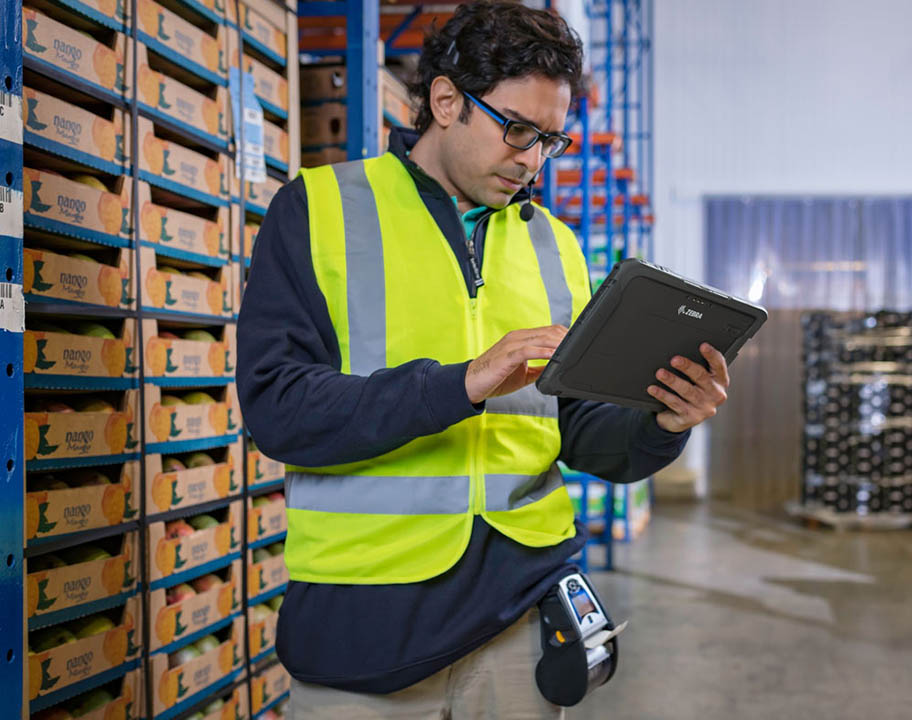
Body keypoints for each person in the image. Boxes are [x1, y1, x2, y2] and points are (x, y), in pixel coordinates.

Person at [235, 3, 731, 717]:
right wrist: (461, 385)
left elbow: (581, 429)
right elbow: (279, 412)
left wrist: (664, 420)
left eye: (550, 140)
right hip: (364, 630)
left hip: (521, 622)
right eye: (518, 130)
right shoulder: (317, 210)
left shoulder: (554, 245)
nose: (532, 160)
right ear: (445, 101)